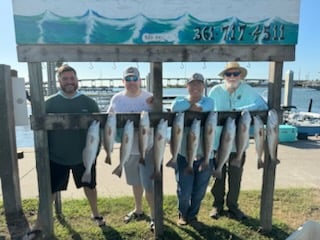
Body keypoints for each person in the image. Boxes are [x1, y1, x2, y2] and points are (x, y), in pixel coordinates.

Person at [26, 65, 105, 239]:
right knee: (50, 191)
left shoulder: (89, 102)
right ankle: (39, 224)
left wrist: (96, 152)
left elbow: (98, 130)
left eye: (72, 78)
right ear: (59, 81)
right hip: (56, 157)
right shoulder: (49, 102)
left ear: (77, 80)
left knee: (90, 186)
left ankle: (96, 214)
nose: (69, 82)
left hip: (84, 157)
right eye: (65, 79)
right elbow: (40, 130)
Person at [208, 62, 268, 220]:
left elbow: (262, 105)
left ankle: (233, 206)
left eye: (236, 74)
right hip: (217, 143)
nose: (232, 77)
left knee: (236, 177)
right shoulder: (215, 90)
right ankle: (217, 205)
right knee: (218, 176)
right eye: (229, 74)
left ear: (241, 75)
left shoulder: (248, 89)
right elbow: (207, 111)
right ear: (224, 76)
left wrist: (242, 110)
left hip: (238, 144)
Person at [107, 66, 155, 231]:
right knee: (135, 182)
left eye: (135, 79)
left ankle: (154, 216)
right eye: (128, 79)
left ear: (140, 80)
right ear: (123, 81)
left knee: (149, 185)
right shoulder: (117, 99)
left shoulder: (150, 97)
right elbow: (108, 122)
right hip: (127, 149)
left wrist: (157, 105)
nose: (132, 82)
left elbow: (163, 117)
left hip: (148, 149)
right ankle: (139, 209)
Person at [170, 73, 214, 226]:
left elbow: (205, 107)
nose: (195, 87)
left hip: (205, 155)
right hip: (184, 154)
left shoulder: (209, 100)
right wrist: (191, 105)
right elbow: (174, 107)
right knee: (184, 190)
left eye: (199, 84)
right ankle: (183, 214)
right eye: (192, 84)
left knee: (200, 191)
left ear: (203, 86)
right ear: (187, 86)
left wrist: (189, 107)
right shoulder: (179, 100)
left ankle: (193, 215)